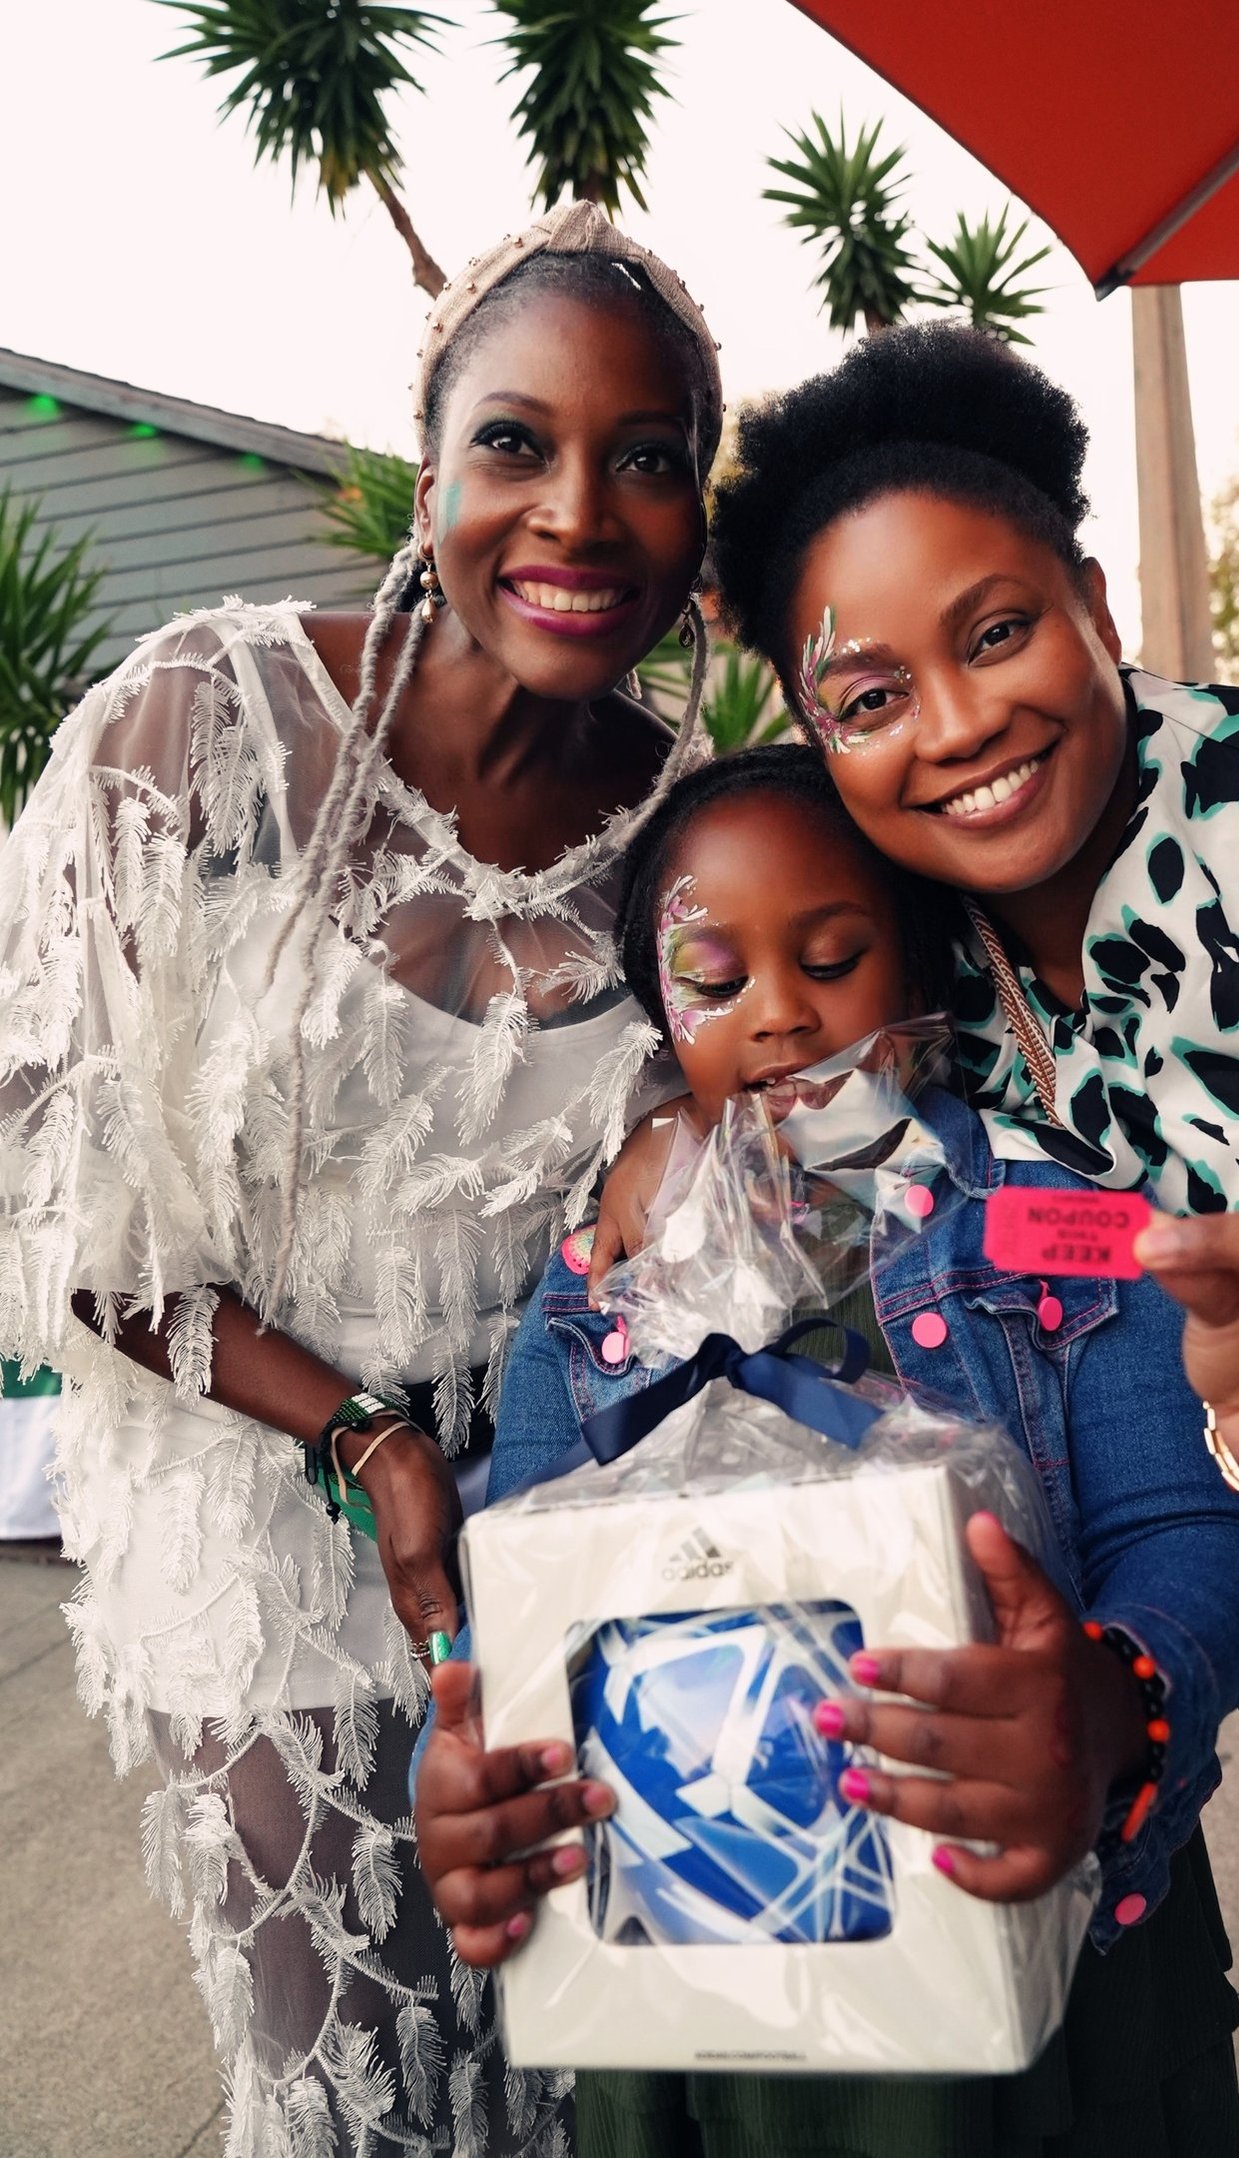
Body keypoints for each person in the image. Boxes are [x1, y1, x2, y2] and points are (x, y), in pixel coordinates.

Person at [0, 202, 722, 2157]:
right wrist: (367, 1439)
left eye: (647, 457)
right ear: (429, 471)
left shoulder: (698, 833)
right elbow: (52, 1195)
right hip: (263, 1508)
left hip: (564, 1522)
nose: (578, 511)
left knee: (577, 2087)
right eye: (518, 442)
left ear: (696, 523)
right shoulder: (201, 723)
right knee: (358, 2091)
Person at [698, 317, 1239, 1993]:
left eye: (999, 631)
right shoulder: (913, 980)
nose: (957, 724)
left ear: (1097, 608)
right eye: (872, 696)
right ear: (817, 733)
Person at [416, 745, 1239, 2158]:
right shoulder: (595, 1295)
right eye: (714, 977)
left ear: (921, 964)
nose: (780, 1013)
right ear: (658, 1008)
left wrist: (1114, 1704)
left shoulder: (1060, 1229)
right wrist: (461, 1783)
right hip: (696, 1996)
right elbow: (514, 1614)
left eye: (832, 958)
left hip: (1053, 1978)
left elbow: (1184, 1531)